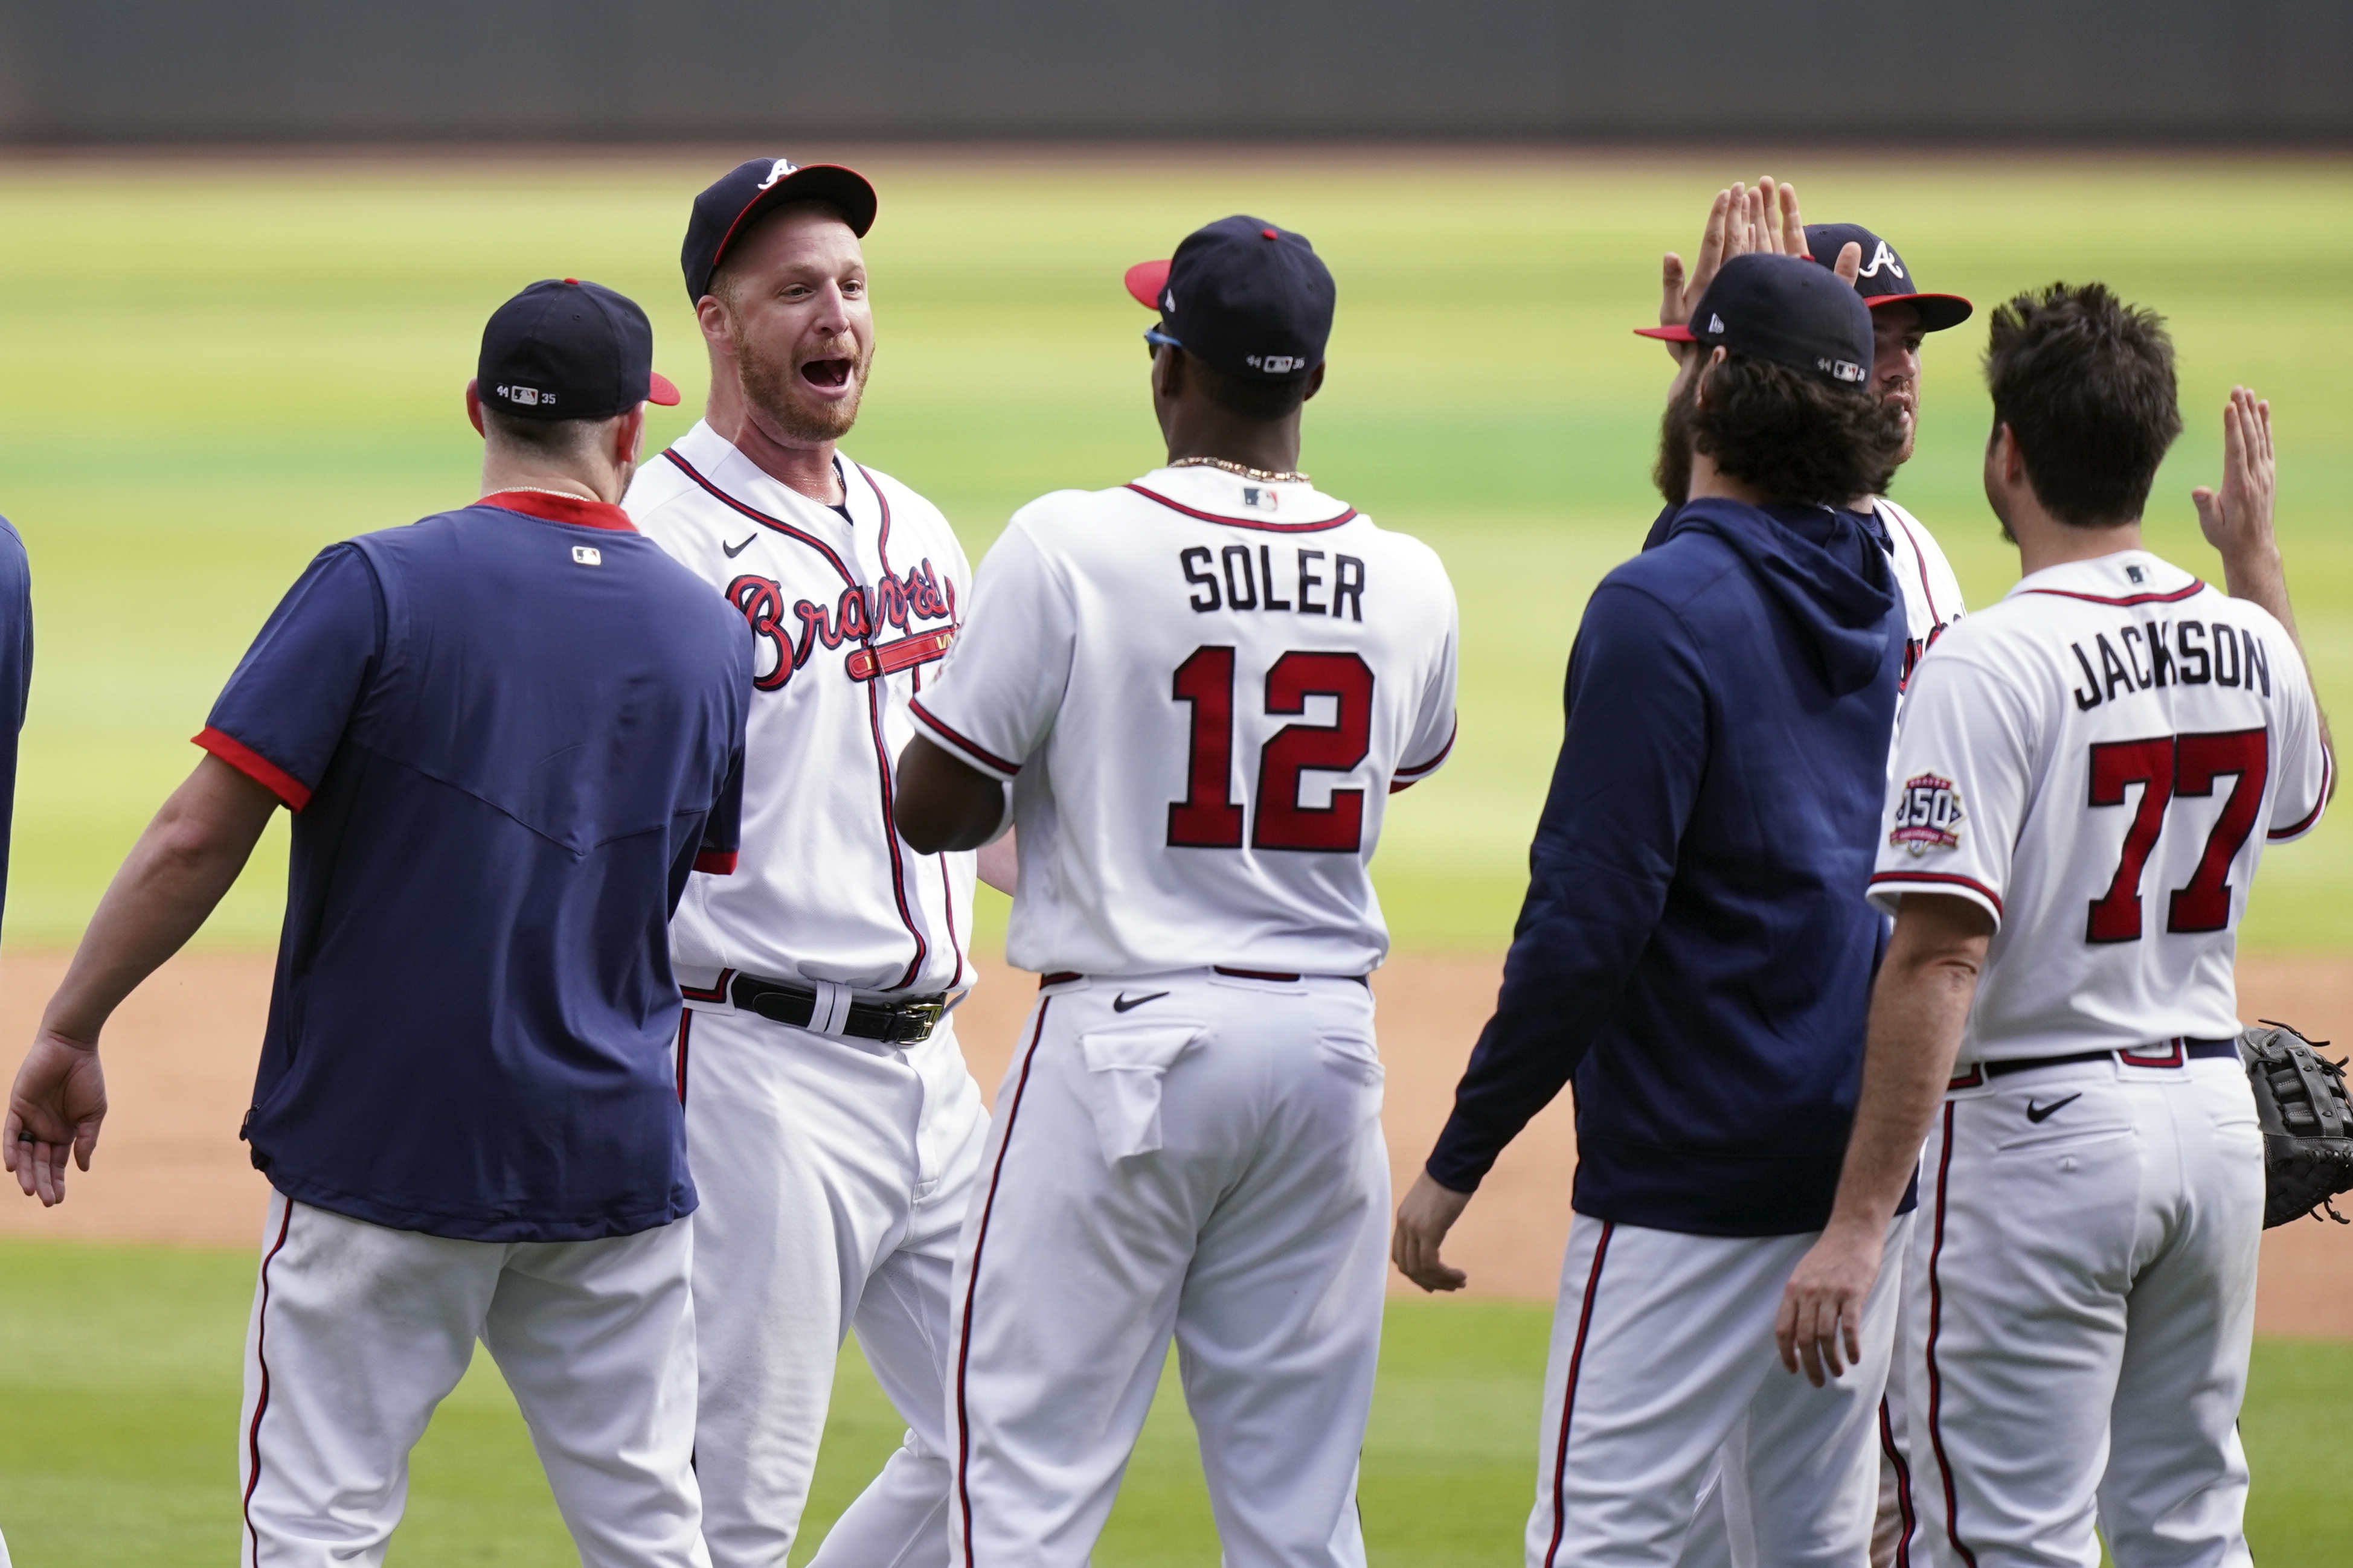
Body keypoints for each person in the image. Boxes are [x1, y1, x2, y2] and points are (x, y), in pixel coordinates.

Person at [3, 278, 749, 1566]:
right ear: (632, 432)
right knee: (652, 1538)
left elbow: (197, 837)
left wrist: (71, 1025)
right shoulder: (710, 638)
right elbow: (677, 883)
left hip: (383, 1150)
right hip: (609, 1155)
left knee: (318, 1527)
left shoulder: (375, 584)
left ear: (476, 408)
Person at [894, 214, 1460, 1567]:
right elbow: (1386, 776)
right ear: (1310, 381)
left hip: (1125, 1050)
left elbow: (933, 806)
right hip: (1324, 1049)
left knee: (1023, 1481)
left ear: (1167, 368)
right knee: (1300, 1511)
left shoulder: (1069, 543)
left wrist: (1069, 775)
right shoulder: (1409, 577)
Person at [1777, 286, 2332, 1568]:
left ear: (2007, 453)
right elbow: (2303, 791)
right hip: (2211, 1130)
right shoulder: (2248, 640)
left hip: (2037, 1148)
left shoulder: (1992, 658)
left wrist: (1861, 1222)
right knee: (2190, 1528)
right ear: (2152, 451)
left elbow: (1939, 951)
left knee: (2000, 1540)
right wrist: (2255, 560)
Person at [1391, 252, 1910, 1567]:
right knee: (1804, 1548)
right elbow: (1727, 561)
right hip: (1846, 1171)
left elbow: (1586, 923)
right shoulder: (1874, 580)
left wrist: (1461, 1155)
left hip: (1687, 1180)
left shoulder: (1656, 607)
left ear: (1712, 391)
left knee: (1600, 1544)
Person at [620, 156, 1009, 1568]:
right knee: (734, 1508)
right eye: (794, 289)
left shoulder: (916, 525)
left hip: (934, 1077)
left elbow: (971, 807)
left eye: (850, 285)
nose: (834, 313)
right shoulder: (660, 541)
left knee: (1013, 1432)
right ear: (717, 321)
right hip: (754, 1073)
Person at [1645, 178, 1975, 1568]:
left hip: (1903, 1072)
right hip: (1808, 1072)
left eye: (1909, 341)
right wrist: (1707, 386)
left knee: (1861, 1496)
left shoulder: (1910, 549)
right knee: (1783, 1503)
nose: (1897, 371)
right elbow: (1696, 556)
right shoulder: (1810, 554)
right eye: (1866, 335)